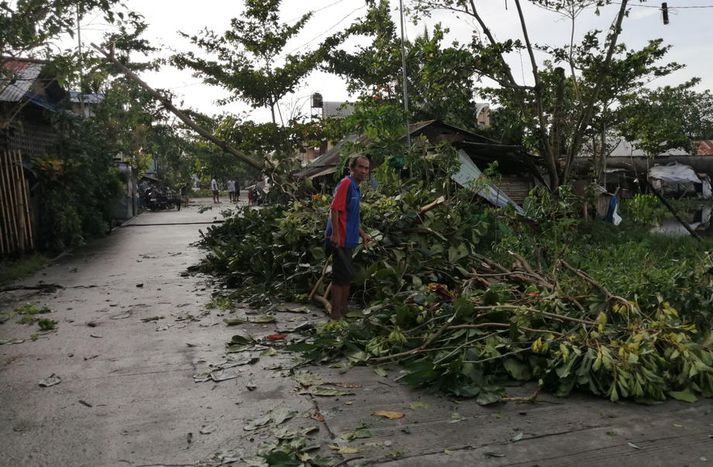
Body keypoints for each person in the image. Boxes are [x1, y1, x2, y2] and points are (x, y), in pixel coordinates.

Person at [325, 155, 371, 320]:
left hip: (350, 238)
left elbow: (350, 216)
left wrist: (362, 234)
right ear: (352, 168)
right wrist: (335, 234)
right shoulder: (346, 184)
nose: (364, 171)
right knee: (340, 277)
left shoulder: (357, 188)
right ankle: (335, 313)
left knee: (347, 276)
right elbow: (335, 210)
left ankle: (343, 310)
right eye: (360, 167)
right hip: (340, 238)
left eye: (366, 168)